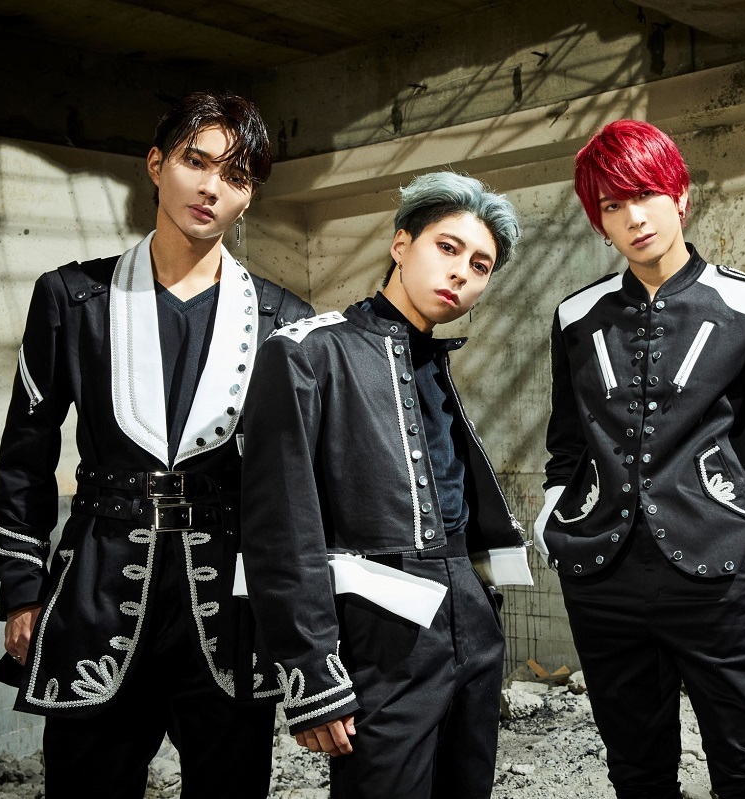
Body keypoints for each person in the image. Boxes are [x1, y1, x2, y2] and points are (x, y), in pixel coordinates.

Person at [0, 91, 313, 798]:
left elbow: (299, 485)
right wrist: (22, 589)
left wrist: (305, 618)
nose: (211, 187)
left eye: (235, 176)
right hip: (97, 584)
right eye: (196, 162)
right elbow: (26, 454)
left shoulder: (284, 319)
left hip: (228, 601)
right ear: (156, 164)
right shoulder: (71, 297)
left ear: (249, 198)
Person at [533, 119, 745, 799]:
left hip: (718, 573)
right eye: (612, 205)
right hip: (601, 577)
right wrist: (553, 522)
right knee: (636, 773)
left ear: (680, 195)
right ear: (598, 221)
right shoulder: (576, 316)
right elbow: (566, 446)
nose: (634, 217)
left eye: (645, 195)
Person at [240, 171, 532, 799]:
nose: (461, 273)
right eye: (447, 247)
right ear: (401, 244)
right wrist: (312, 672)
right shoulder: (308, 352)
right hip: (381, 636)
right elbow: (281, 528)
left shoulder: (433, 362)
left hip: (471, 621)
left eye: (480, 265)